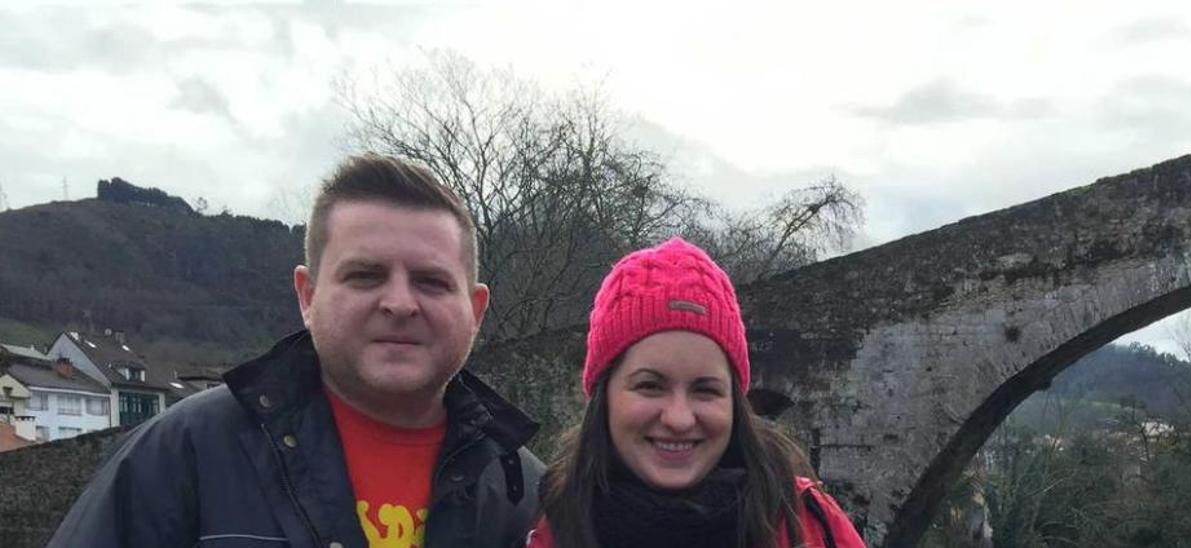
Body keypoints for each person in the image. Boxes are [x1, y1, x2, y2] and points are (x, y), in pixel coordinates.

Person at [49, 154, 545, 548]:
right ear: (307, 296)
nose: (398, 302)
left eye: (431, 281)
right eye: (365, 275)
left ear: (475, 309)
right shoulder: (184, 454)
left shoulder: (527, 494)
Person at [526, 237, 866, 548]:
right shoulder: (554, 532)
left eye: (705, 390)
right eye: (650, 386)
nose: (678, 418)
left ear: (735, 401)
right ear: (604, 395)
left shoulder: (809, 527)